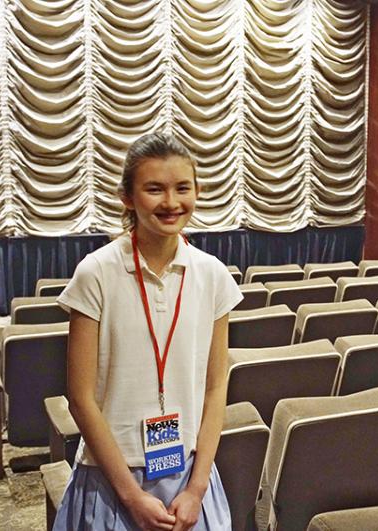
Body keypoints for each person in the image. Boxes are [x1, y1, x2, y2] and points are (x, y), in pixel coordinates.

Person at [53, 132, 243, 530]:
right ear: (127, 197)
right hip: (110, 482)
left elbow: (215, 386)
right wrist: (131, 495)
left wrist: (197, 488)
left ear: (198, 191)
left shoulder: (212, 274)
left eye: (182, 188)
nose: (171, 203)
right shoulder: (96, 273)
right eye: (154, 189)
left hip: (190, 482)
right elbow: (80, 398)